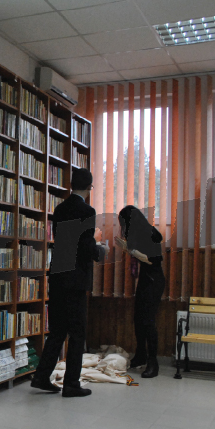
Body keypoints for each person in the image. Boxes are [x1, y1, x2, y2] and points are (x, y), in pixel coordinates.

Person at [31, 168, 108, 398]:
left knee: (57, 331)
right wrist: (99, 246)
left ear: (71, 184)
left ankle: (41, 376)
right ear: (90, 188)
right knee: (77, 333)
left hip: (58, 276)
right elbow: (85, 247)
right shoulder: (87, 211)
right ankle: (71, 384)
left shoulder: (59, 209)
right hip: (76, 280)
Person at [115, 205, 166, 378]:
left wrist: (129, 250)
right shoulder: (139, 233)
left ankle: (153, 362)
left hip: (153, 281)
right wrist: (129, 248)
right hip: (146, 280)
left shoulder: (149, 233)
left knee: (148, 321)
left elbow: (153, 260)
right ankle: (141, 355)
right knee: (138, 319)